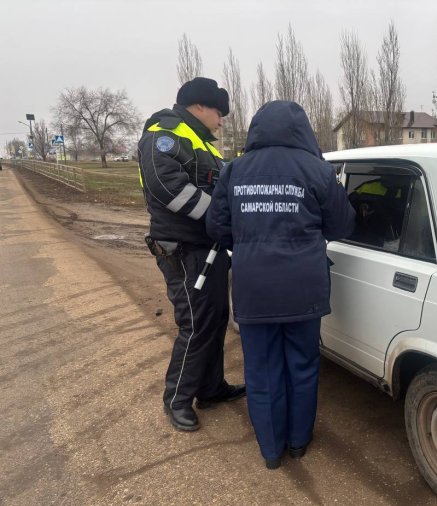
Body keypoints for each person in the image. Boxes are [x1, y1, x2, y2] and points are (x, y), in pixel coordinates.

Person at [206, 100, 355, 469]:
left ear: (257, 129)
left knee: (261, 371)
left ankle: (271, 451)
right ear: (302, 130)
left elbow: (217, 228)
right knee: (302, 366)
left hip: (254, 287)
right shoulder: (318, 170)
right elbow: (341, 226)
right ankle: (299, 442)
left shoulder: (234, 170)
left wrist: (249, 246)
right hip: (304, 288)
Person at [138, 77, 245, 432]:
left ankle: (211, 388)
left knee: (215, 317)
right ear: (200, 106)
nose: (221, 120)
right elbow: (167, 187)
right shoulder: (164, 134)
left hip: (207, 248)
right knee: (196, 323)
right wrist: (218, 216)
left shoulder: (200, 142)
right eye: (219, 112)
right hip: (183, 250)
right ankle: (177, 400)